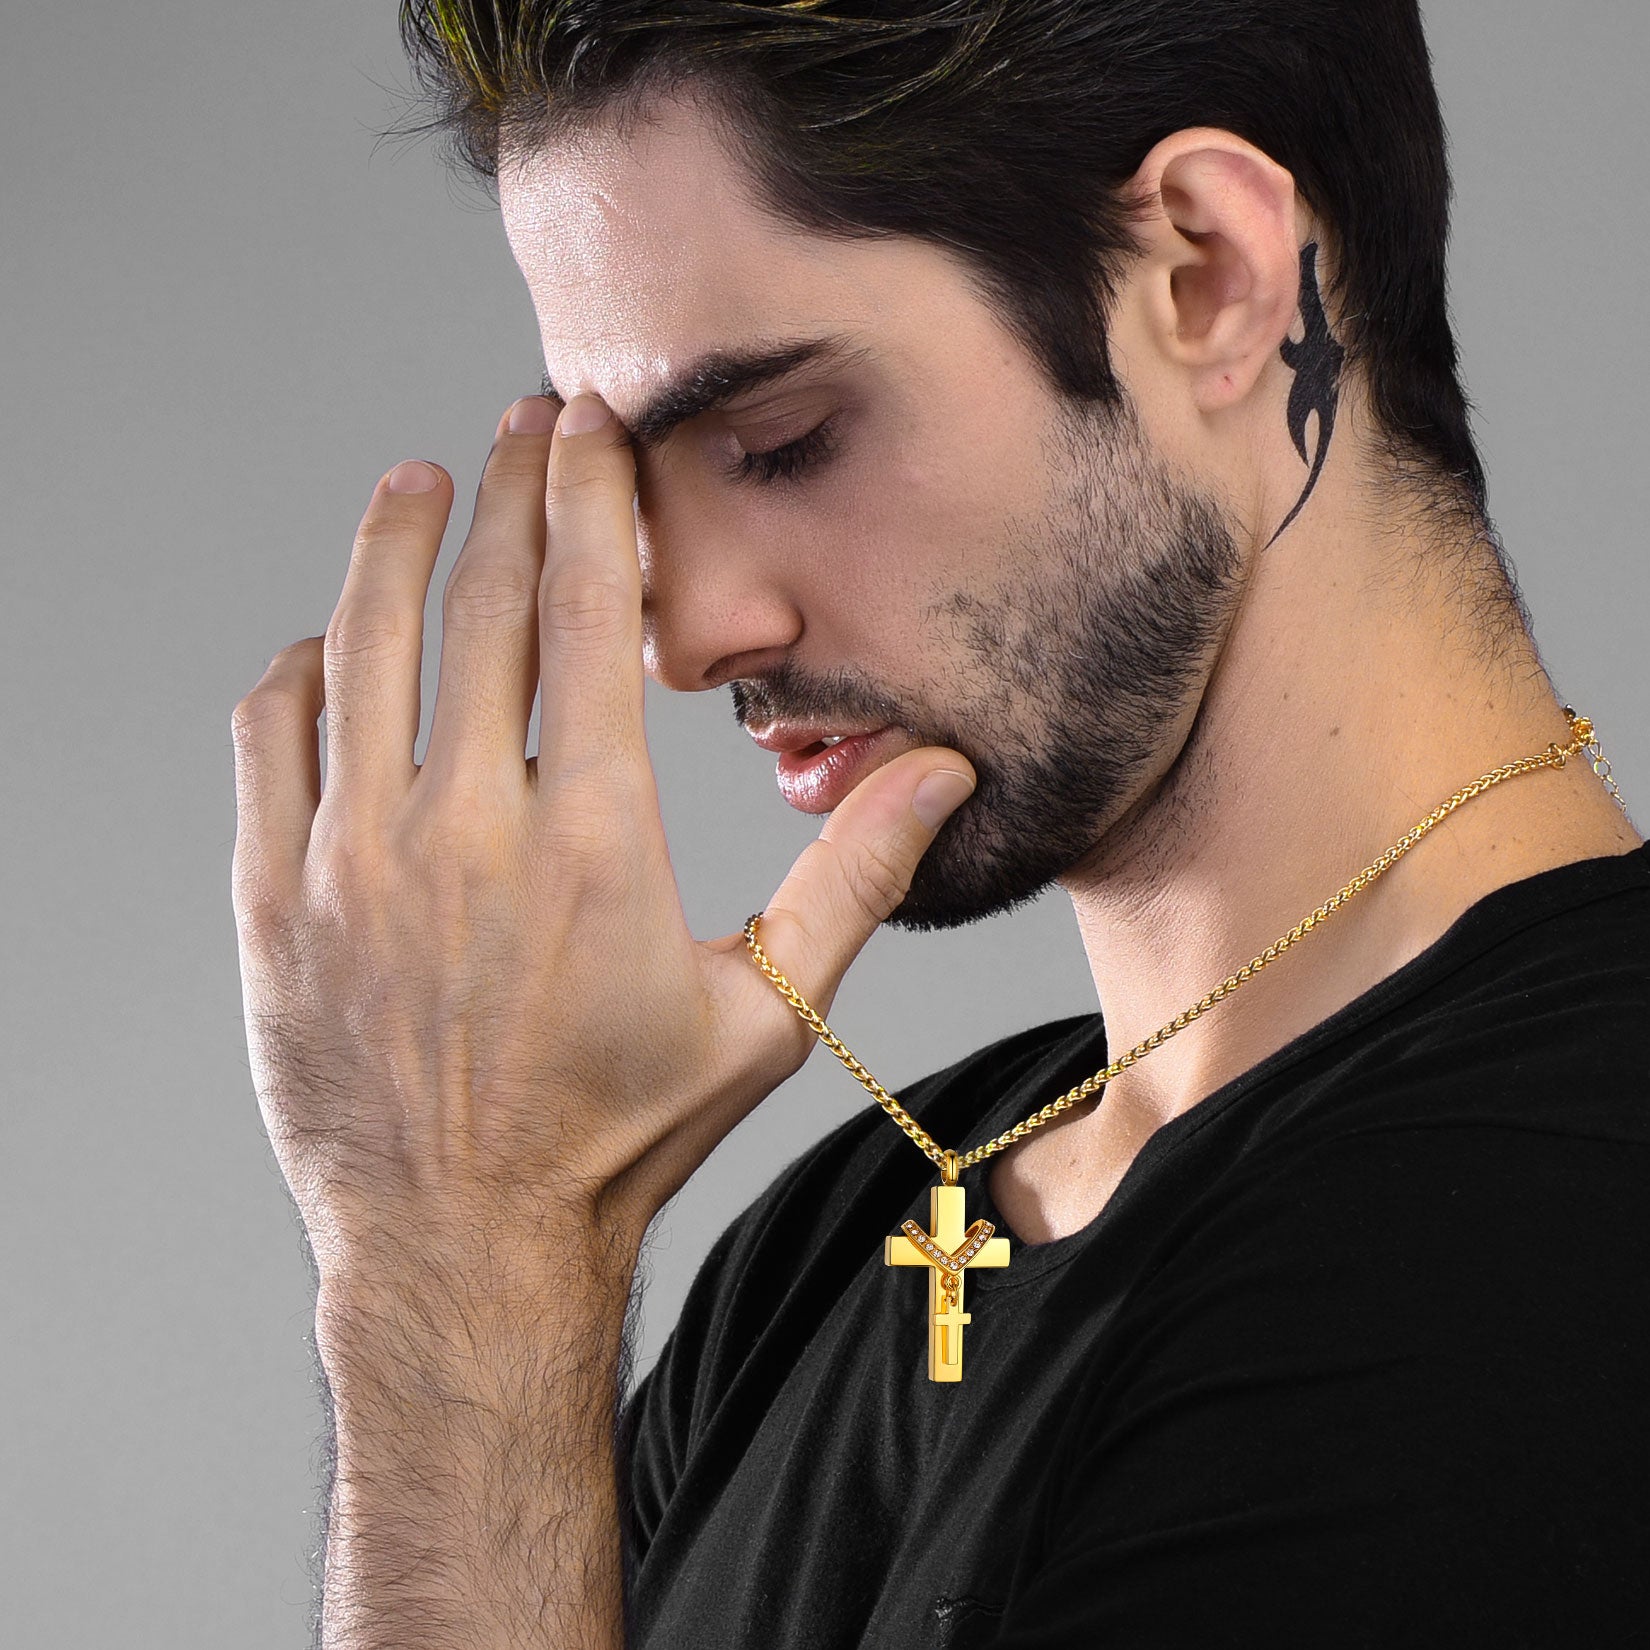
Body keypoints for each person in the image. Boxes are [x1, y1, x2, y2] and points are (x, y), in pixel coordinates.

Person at [229, 2, 1648, 1646]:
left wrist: (458, 1258)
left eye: (779, 443)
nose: (686, 634)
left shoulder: (1541, 1219)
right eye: (627, 488)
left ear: (1204, 275)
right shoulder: (843, 1238)